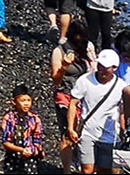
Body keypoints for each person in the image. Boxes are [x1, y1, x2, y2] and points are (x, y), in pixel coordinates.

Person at [69, 48, 125, 175]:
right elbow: (73, 103)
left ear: (114, 68)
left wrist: (123, 129)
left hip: (109, 135)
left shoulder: (121, 87)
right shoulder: (85, 80)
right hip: (87, 133)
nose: (101, 69)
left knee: (104, 170)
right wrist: (71, 128)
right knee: (87, 170)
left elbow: (122, 111)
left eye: (105, 67)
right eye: (100, 65)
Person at [51, 20, 97, 173]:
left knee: (84, 132)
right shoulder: (60, 50)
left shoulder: (88, 47)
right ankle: (67, 170)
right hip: (65, 95)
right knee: (67, 134)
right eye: (78, 39)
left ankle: (81, 163)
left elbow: (94, 69)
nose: (80, 42)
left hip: (85, 96)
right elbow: (56, 80)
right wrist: (64, 66)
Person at [1, 84, 46, 174]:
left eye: (28, 100)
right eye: (22, 100)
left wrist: (33, 151)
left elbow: (37, 140)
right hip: (12, 157)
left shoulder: (35, 120)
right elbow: (6, 142)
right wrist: (20, 150)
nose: (26, 103)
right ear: (14, 102)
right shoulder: (9, 118)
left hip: (30, 157)